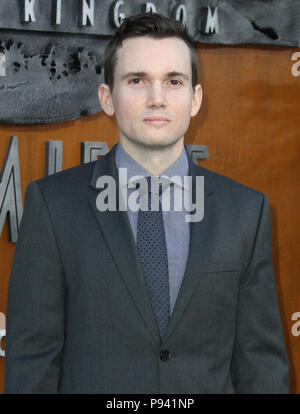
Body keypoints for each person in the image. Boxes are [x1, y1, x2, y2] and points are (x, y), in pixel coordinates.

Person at [4, 12, 289, 394]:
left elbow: (261, 364)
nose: (157, 98)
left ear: (195, 98)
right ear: (107, 98)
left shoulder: (245, 212)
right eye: (137, 80)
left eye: (174, 81)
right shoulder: (53, 206)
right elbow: (32, 363)